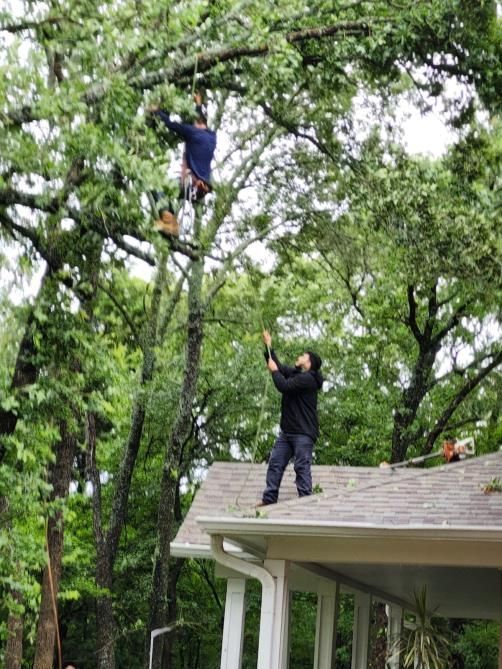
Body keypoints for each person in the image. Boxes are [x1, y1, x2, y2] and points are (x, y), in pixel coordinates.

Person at [258, 330, 323, 506]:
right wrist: (268, 346)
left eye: (303, 356)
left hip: (303, 433)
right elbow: (278, 366)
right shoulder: (296, 374)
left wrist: (274, 372)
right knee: (275, 463)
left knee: (301, 466)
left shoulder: (308, 380)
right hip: (287, 432)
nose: (299, 357)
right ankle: (269, 499)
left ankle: (306, 501)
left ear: (309, 363)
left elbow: (284, 386)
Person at [148, 94, 217, 238]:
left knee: (157, 185)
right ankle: (172, 223)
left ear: (196, 121)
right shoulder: (212, 137)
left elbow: (170, 124)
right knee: (169, 192)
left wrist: (157, 111)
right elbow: (199, 117)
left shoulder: (192, 132)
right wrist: (198, 103)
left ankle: (168, 221)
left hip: (191, 185)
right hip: (200, 188)